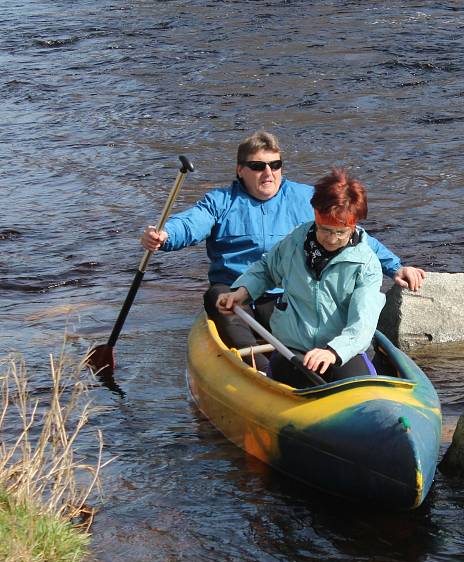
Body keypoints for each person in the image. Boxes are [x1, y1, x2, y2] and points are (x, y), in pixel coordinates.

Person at [140, 131, 425, 371]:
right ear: (241, 170)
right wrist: (165, 236)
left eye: (275, 165)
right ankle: (257, 369)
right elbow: (191, 223)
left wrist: (395, 267)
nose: (268, 173)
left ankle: (291, 360)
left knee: (280, 315)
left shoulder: (305, 198)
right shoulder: (220, 201)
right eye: (258, 166)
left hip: (282, 293)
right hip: (234, 291)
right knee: (217, 297)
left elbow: (356, 236)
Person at [216, 168, 383, 387]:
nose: (332, 239)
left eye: (340, 232)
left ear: (353, 226)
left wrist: (333, 352)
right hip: (293, 349)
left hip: (343, 351)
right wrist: (243, 291)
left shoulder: (367, 265)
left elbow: (363, 322)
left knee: (361, 388)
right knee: (290, 378)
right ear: (315, 216)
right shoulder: (296, 241)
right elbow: (267, 269)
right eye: (325, 230)